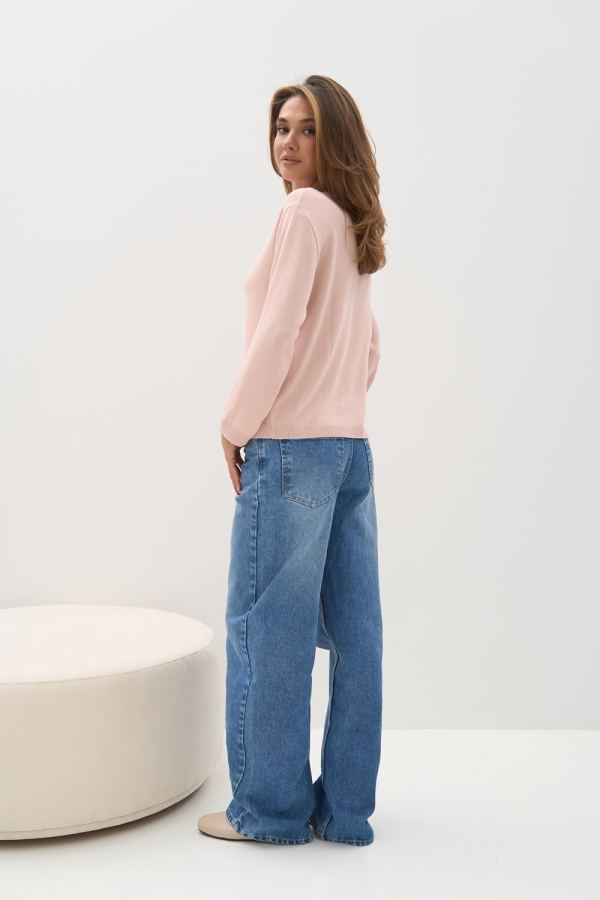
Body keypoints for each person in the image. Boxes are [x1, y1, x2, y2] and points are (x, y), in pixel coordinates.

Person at [198, 74, 386, 846]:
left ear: (334, 139)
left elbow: (278, 334)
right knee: (356, 635)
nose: (290, 141)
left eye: (308, 129)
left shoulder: (303, 212)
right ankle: (345, 813)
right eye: (282, 127)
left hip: (290, 452)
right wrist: (332, 402)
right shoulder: (351, 223)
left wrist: (235, 423)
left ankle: (270, 812)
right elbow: (369, 349)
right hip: (349, 448)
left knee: (267, 629)